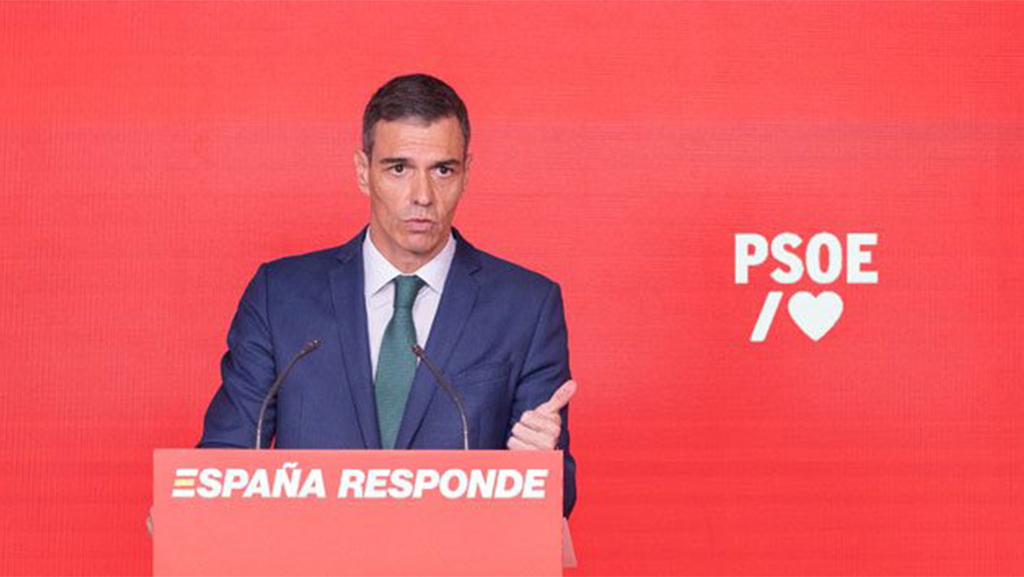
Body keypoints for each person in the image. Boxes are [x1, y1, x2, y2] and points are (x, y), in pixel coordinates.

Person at [196, 73, 577, 517]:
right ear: (363, 171)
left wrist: (538, 470)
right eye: (399, 168)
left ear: (466, 174)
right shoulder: (279, 295)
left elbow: (559, 498)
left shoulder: (527, 307)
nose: (422, 196)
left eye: (443, 170)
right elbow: (225, 460)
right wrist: (186, 511)